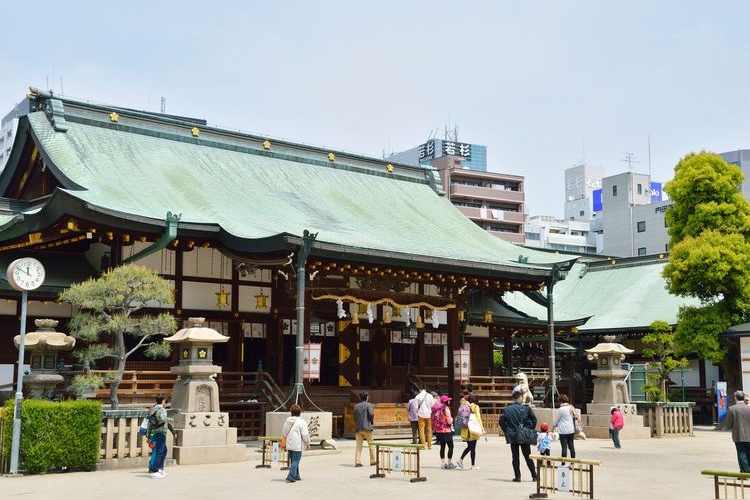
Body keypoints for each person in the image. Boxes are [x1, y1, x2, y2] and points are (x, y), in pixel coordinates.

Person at [500, 386, 538, 482]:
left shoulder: (507, 409)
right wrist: (529, 429)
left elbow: (501, 421)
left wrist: (507, 430)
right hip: (524, 434)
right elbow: (534, 420)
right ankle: (534, 476)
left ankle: (518, 477)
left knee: (515, 457)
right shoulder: (526, 408)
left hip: (513, 435)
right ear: (520, 398)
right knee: (528, 456)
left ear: (513, 398)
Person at [718, 390, 750, 472]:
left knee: (741, 453)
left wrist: (728, 427)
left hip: (738, 434)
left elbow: (729, 423)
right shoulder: (748, 408)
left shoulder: (732, 409)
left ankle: (744, 471)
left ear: (736, 398)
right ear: (743, 398)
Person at [147, 394, 175, 479]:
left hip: (155, 431)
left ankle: (160, 468)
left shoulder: (153, 409)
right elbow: (162, 419)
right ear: (163, 401)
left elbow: (150, 422)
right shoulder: (162, 409)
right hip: (161, 431)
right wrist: (170, 419)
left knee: (163, 450)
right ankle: (156, 470)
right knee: (160, 451)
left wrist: (148, 435)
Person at [282, 404, 310, 482]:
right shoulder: (301, 422)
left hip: (289, 444)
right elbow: (305, 434)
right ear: (299, 413)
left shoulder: (287, 421)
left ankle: (297, 475)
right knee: (296, 460)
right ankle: (291, 475)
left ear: (291, 412)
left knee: (293, 460)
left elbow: (284, 432)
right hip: (297, 445)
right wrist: (307, 443)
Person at [458, 392, 484, 469]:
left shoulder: (464, 405)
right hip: (473, 429)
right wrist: (482, 428)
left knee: (470, 446)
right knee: (472, 448)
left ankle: (461, 460)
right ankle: (472, 465)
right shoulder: (475, 407)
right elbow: (478, 418)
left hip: (466, 429)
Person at [432, 394, 456, 469]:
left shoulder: (438, 409)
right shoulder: (446, 409)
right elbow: (449, 421)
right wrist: (452, 419)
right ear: (446, 402)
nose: (449, 401)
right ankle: (449, 462)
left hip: (439, 430)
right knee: (451, 446)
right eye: (448, 400)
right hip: (447, 430)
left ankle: (443, 463)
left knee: (442, 447)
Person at [354, 390, 376, 467]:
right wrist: (371, 422)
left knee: (358, 446)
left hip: (358, 428)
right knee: (371, 445)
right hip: (367, 428)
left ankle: (357, 461)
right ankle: (373, 461)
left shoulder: (356, 406)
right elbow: (371, 414)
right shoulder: (369, 405)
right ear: (367, 397)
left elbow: (355, 418)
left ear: (359, 398)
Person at [552, 394, 577, 461]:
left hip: (563, 431)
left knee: (564, 447)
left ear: (561, 401)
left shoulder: (561, 409)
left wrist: (553, 428)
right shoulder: (571, 407)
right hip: (571, 430)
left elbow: (556, 420)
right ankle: (572, 462)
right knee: (571, 447)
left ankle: (563, 463)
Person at [415, 385, 435, 449]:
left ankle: (423, 445)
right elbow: (433, 405)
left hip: (421, 414)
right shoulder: (430, 396)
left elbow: (415, 407)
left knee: (421, 430)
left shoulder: (417, 396)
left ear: (420, 390)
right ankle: (429, 445)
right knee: (429, 429)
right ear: (425, 389)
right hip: (428, 414)